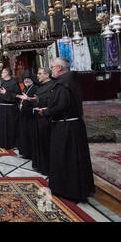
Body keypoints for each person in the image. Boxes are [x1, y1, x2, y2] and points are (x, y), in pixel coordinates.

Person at [38, 58, 95, 202]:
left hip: (66, 128)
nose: (51, 70)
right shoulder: (70, 81)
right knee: (75, 158)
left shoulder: (63, 84)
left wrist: (46, 112)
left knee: (66, 157)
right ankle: (80, 187)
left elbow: (61, 107)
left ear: (59, 68)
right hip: (72, 124)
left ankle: (68, 189)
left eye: (52, 67)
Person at [31, 67, 54, 175]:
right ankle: (41, 165)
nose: (38, 76)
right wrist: (35, 100)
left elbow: (52, 101)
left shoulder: (53, 85)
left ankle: (48, 167)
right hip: (38, 118)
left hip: (47, 119)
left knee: (47, 143)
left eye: (40, 73)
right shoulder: (40, 87)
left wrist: (40, 101)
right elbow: (38, 100)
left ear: (47, 75)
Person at [0, 68, 21, 149]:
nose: (1, 74)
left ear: (7, 73)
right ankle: (3, 142)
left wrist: (5, 93)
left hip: (10, 109)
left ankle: (12, 143)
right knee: (3, 126)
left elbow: (17, 97)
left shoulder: (14, 83)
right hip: (2, 107)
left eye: (3, 72)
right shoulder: (2, 83)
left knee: (11, 126)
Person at [15, 71, 38, 158]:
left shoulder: (35, 88)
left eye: (28, 79)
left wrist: (28, 99)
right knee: (24, 134)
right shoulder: (25, 89)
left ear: (32, 80)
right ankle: (25, 152)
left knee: (29, 135)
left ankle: (30, 153)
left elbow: (36, 101)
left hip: (30, 117)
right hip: (23, 115)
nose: (26, 80)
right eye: (25, 79)